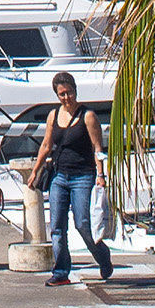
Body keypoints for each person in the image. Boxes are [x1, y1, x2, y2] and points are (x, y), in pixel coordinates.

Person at [34, 76, 107, 290]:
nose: (66, 98)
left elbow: (98, 149)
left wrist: (101, 176)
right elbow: (47, 145)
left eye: (69, 92)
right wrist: (35, 170)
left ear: (75, 90)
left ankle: (103, 258)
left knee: (83, 224)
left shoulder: (88, 116)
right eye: (62, 94)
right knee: (57, 226)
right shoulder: (53, 115)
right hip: (59, 176)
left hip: (82, 176)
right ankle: (60, 272)